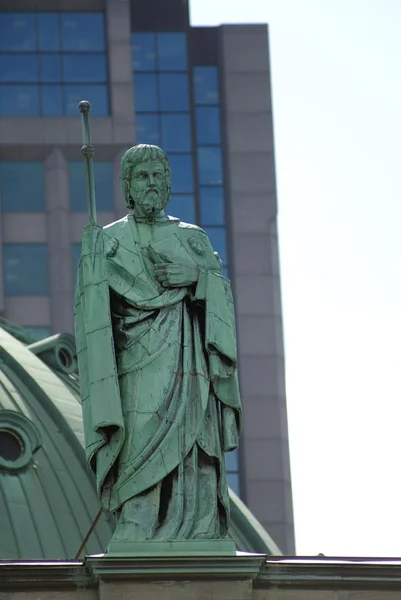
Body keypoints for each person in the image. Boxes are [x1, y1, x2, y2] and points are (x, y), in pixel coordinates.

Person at [74, 144, 242, 549]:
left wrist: (197, 278)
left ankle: (200, 522)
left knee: (194, 447)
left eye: (157, 176)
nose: (151, 183)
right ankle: (139, 521)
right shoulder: (109, 241)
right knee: (136, 446)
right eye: (142, 177)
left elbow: (222, 302)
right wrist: (92, 272)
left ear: (167, 184)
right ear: (127, 187)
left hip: (190, 367)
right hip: (136, 365)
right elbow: (93, 317)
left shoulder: (193, 240)